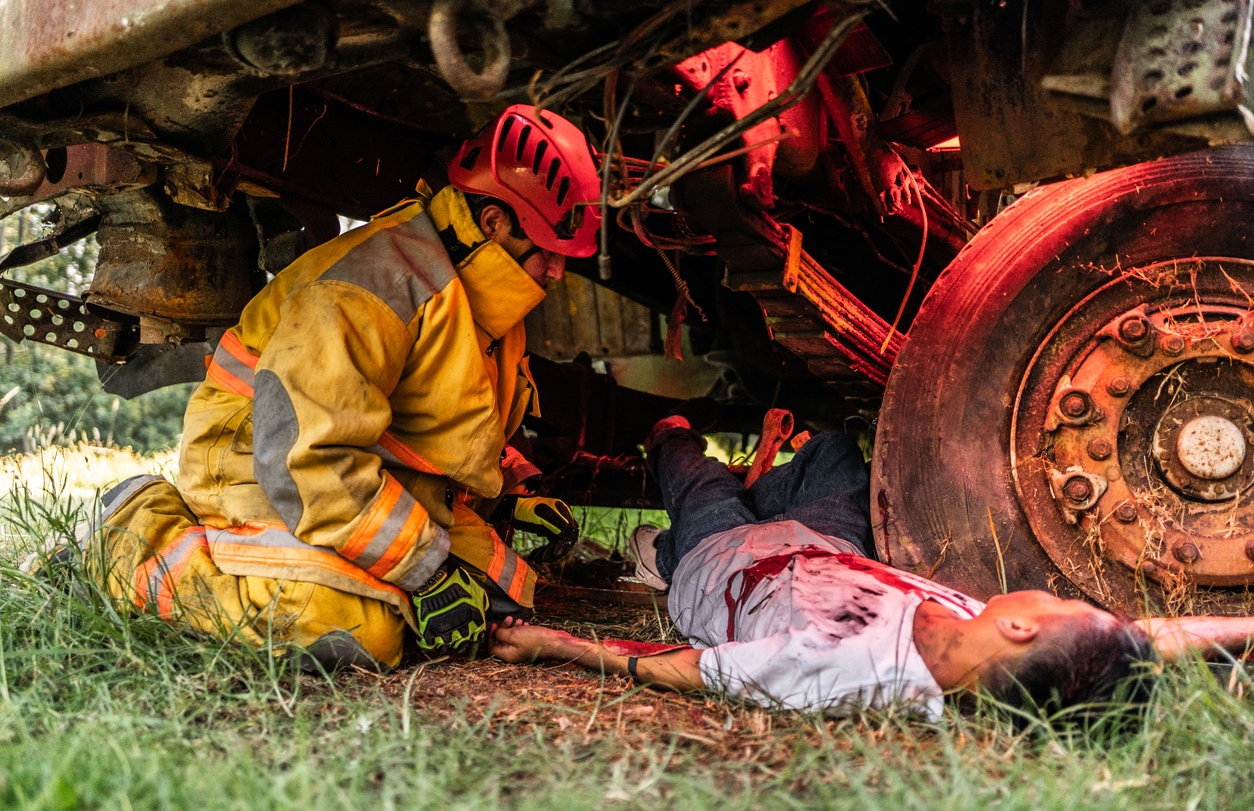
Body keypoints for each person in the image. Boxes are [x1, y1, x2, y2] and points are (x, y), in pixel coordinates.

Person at [56, 105, 602, 672]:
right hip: (258, 463)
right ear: (493, 223)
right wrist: (428, 570)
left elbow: (450, 428)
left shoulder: (485, 293)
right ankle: (125, 541)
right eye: (552, 251)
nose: (559, 272)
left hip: (355, 474)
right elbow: (302, 455)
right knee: (357, 629)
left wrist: (514, 492)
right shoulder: (372, 289)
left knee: (503, 595)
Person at [491, 416, 1254, 719]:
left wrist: (550, 645)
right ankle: (761, 479)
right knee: (833, 452)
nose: (1053, 598)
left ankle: (674, 437)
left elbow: (686, 668)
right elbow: (1149, 637)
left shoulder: (843, 671)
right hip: (827, 546)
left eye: (1064, 609)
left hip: (719, 562)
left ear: (1020, 626)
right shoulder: (1001, 652)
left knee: (693, 473)